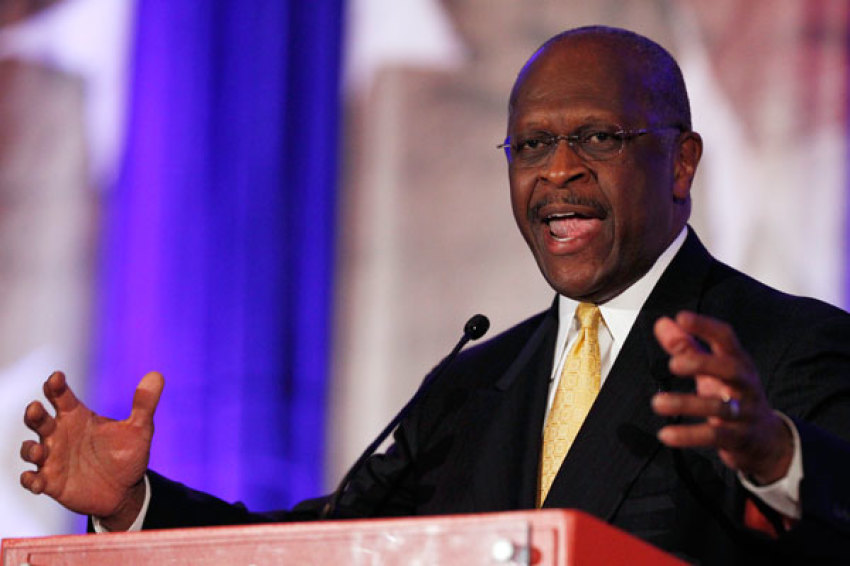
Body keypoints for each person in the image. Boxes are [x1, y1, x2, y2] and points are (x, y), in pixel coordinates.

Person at [19, 25, 850, 564]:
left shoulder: (787, 346)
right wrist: (136, 505)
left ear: (681, 163)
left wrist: (776, 457)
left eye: (597, 137)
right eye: (529, 145)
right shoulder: (472, 384)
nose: (558, 171)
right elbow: (323, 546)